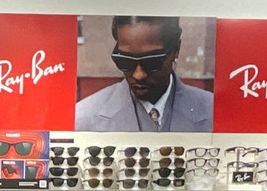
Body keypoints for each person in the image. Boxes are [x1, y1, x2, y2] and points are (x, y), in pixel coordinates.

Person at [75, 16, 213, 132]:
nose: (138, 75)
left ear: (176, 49)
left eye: (151, 62)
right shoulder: (83, 118)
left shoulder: (213, 112)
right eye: (126, 61)